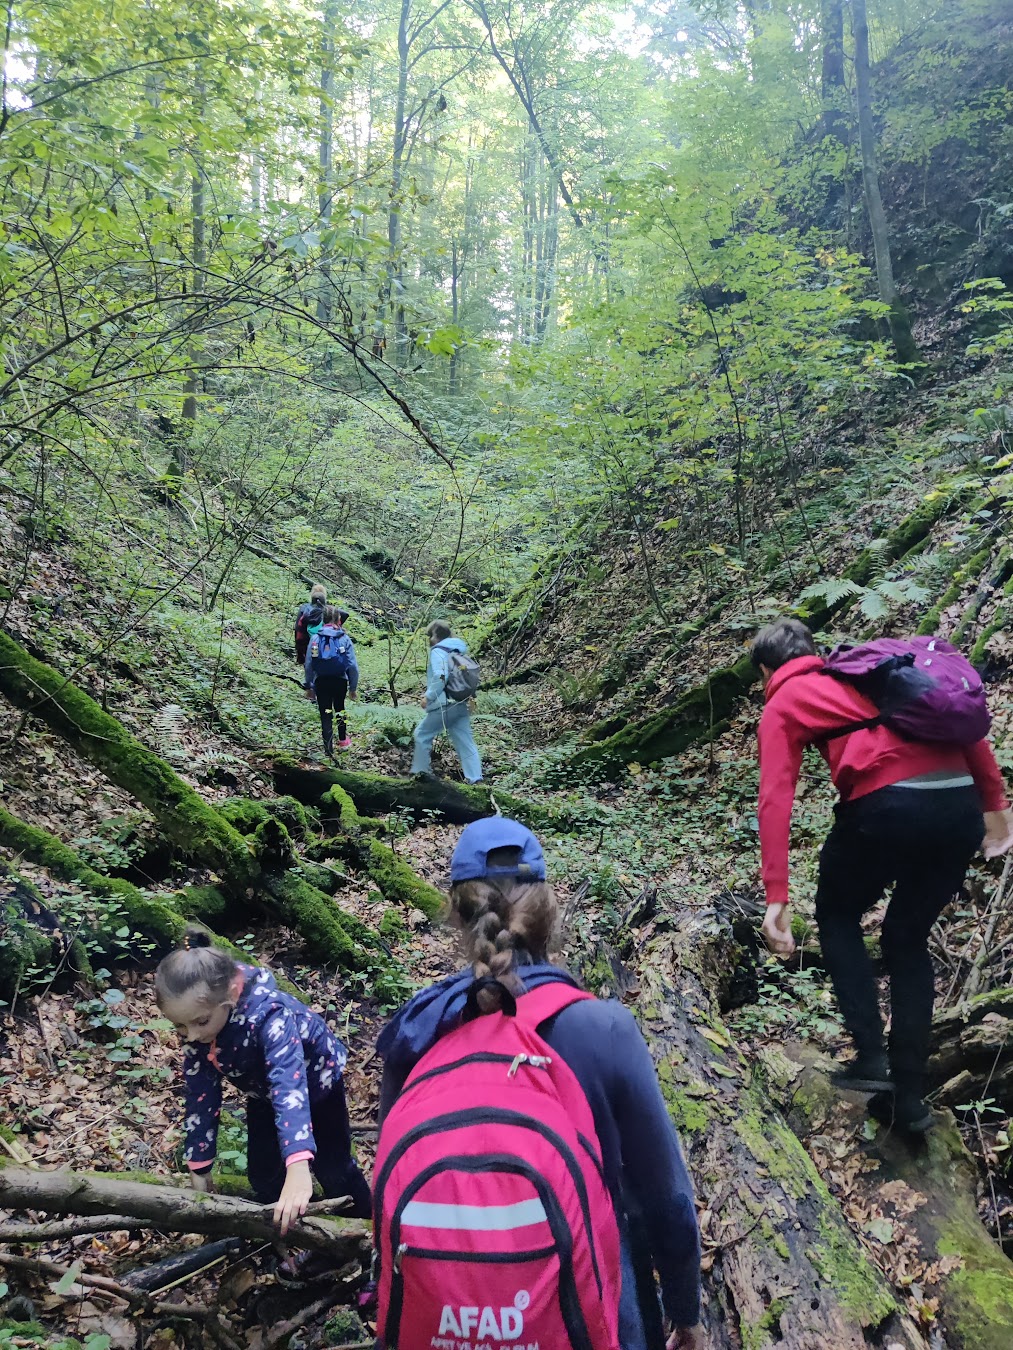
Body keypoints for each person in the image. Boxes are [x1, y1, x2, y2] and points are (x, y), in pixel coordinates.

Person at [375, 818, 702, 1350]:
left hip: (440, 1313)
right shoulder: (604, 1029)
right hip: (592, 1308)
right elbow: (665, 1199)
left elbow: (388, 1194)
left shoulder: (416, 1032)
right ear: (549, 909)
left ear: (456, 915)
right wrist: (686, 1313)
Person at [751, 617, 1013, 1131]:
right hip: (957, 808)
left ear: (766, 670)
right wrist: (995, 805)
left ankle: (871, 1056)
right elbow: (967, 732)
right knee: (907, 941)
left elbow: (775, 797)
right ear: (815, 649)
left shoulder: (786, 699)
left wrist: (777, 895)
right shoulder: (881, 672)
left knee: (837, 912)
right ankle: (909, 1101)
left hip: (884, 807)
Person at [155, 928, 371, 1233]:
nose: (191, 1035)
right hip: (263, 1094)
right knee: (263, 1172)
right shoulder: (199, 1030)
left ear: (230, 995)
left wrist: (297, 1163)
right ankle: (291, 1231)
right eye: (179, 1026)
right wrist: (200, 1164)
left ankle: (365, 1228)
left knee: (334, 1169)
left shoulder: (269, 1015)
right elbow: (200, 1095)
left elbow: (288, 1084)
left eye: (200, 1022)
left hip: (316, 1085)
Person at [410, 619, 482, 783]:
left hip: (444, 704)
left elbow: (441, 676)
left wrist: (428, 697)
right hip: (460, 702)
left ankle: (422, 776)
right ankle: (475, 778)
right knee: (466, 743)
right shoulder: (458, 651)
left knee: (421, 734)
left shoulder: (438, 651)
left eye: (429, 636)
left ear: (434, 636)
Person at [304, 604, 357, 755]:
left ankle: (328, 750)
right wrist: (353, 687)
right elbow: (352, 665)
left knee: (325, 714)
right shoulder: (344, 638)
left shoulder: (315, 638)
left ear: (323, 619)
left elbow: (309, 664)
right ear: (338, 619)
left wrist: (309, 686)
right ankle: (343, 741)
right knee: (340, 707)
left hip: (321, 681)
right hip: (340, 680)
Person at [294, 584, 327, 667]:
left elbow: (298, 629)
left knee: (309, 665)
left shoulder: (304, 609)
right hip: (321, 646)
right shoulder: (328, 611)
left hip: (306, 645)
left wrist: (299, 652)